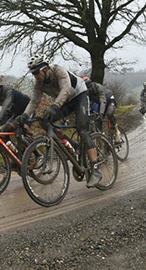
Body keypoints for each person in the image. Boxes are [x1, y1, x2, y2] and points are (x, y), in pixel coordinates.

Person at [15, 54, 102, 188]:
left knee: (82, 130)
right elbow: (34, 101)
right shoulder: (39, 83)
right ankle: (73, 145)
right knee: (44, 121)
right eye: (33, 74)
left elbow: (65, 90)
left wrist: (54, 106)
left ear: (45, 69)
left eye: (37, 73)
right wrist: (24, 115)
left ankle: (95, 169)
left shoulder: (58, 71)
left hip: (79, 96)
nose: (36, 76)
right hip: (65, 102)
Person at [83, 77, 122, 143]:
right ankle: (102, 136)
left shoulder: (98, 87)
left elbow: (103, 101)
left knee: (109, 114)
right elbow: (87, 103)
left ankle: (116, 131)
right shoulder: (86, 92)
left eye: (88, 87)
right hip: (100, 103)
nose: (88, 89)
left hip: (109, 100)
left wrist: (101, 114)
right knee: (97, 121)